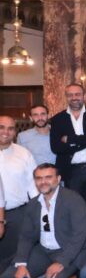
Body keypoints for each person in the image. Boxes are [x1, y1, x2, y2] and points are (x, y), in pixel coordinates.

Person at [50, 84, 86, 242]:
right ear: (66, 97)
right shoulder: (58, 119)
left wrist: (71, 140)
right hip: (72, 171)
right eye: (70, 95)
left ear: (84, 96)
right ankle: (79, 242)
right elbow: (57, 147)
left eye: (77, 94)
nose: (74, 98)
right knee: (75, 209)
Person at [0, 116, 37, 270]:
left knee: (15, 258)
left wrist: (37, 213)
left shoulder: (24, 154)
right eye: (1, 127)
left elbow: (33, 186)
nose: (5, 132)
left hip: (18, 215)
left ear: (15, 132)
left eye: (10, 128)